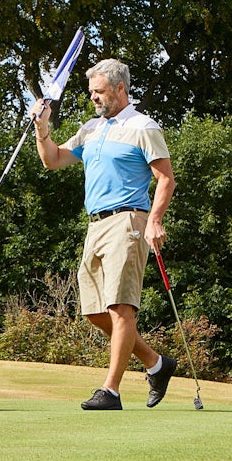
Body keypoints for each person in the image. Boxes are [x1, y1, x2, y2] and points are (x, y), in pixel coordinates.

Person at [33, 58, 179, 411]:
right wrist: (42, 128)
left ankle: (111, 390)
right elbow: (52, 160)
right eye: (91, 92)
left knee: (120, 307)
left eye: (99, 91)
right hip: (95, 225)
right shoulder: (91, 129)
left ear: (119, 88)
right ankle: (156, 363)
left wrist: (155, 220)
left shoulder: (143, 127)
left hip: (128, 221)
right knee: (94, 311)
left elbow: (165, 179)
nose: (93, 98)